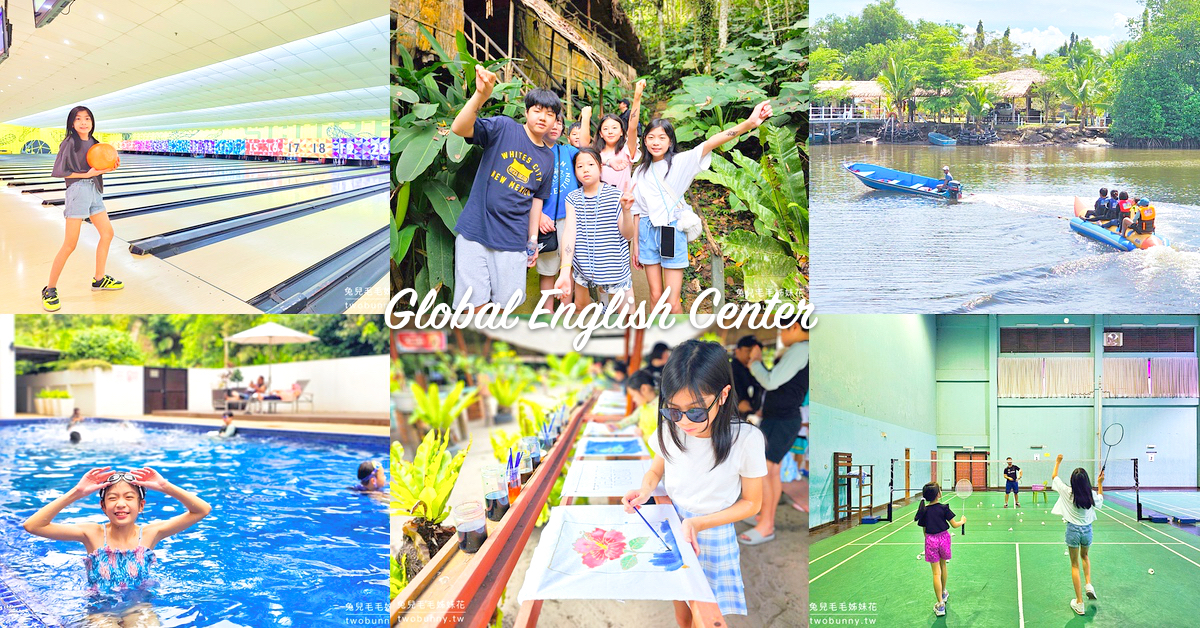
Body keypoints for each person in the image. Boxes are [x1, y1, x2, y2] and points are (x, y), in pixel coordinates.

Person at [623, 340, 766, 622]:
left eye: (696, 411)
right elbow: (655, 472)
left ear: (723, 395)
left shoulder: (746, 440)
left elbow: (752, 503)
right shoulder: (669, 429)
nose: (684, 421)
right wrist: (644, 490)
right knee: (682, 606)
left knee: (707, 612)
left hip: (712, 531)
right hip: (676, 523)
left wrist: (699, 523)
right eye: (673, 410)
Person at [630, 100, 773, 313]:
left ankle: (680, 342)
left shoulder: (681, 162)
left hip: (671, 231)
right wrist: (636, 245)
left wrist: (749, 124)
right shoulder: (639, 172)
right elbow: (638, 211)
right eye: (650, 137)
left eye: (662, 137)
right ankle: (657, 340)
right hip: (647, 233)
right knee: (655, 295)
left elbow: (712, 142)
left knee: (672, 300)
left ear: (670, 142)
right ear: (645, 141)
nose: (655, 142)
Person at [22, 467, 211, 623]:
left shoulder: (150, 533)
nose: (120, 504)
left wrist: (165, 486)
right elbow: (33, 525)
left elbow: (202, 510)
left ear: (141, 505)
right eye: (112, 498)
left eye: (129, 497)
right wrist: (76, 493)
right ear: (103, 507)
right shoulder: (92, 534)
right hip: (100, 609)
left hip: (139, 605)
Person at [450, 65, 558, 311]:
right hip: (475, 230)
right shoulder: (503, 127)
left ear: (555, 120)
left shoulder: (548, 158)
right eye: (537, 110)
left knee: (504, 307)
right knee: (472, 305)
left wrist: (532, 240)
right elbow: (459, 129)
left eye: (549, 114)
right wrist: (481, 95)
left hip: (512, 239)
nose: (542, 117)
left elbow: (537, 200)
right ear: (527, 111)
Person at [43, 106, 122, 311]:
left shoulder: (96, 143)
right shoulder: (69, 143)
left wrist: (111, 166)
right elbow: (62, 172)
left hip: (95, 190)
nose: (84, 122)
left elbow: (98, 168)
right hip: (78, 191)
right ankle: (49, 288)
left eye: (87, 118)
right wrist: (87, 175)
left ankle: (99, 279)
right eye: (78, 119)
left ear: (92, 122)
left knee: (107, 233)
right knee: (70, 244)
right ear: (72, 123)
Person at [740, 315, 808, 546]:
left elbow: (770, 382)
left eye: (783, 330)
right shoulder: (798, 350)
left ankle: (766, 525)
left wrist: (755, 361)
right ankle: (763, 517)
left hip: (782, 420)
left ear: (795, 326)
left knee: (767, 471)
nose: (781, 335)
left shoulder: (802, 348)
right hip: (776, 419)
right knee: (770, 471)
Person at [552, 148, 638, 311]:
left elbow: (628, 235)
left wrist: (626, 211)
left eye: (590, 164)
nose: (585, 169)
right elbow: (569, 233)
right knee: (580, 306)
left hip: (614, 271)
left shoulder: (616, 196)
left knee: (628, 316)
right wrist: (564, 271)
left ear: (600, 167)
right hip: (584, 270)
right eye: (580, 166)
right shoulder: (572, 198)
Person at [537, 107, 592, 304]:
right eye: (554, 121)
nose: (556, 126)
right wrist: (539, 216)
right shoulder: (533, 151)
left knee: (566, 265)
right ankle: (547, 313)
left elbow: (585, 146)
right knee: (547, 270)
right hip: (545, 221)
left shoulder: (566, 151)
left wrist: (585, 117)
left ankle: (566, 310)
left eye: (560, 123)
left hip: (569, 219)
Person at [1051, 454, 1103, 615]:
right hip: (1087, 530)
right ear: (1087, 481)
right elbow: (1100, 498)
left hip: (1073, 530)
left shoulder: (1067, 492)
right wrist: (1100, 483)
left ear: (1073, 481)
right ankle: (1089, 584)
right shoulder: (1091, 495)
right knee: (1085, 557)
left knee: (1074, 564)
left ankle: (1079, 603)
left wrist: (1057, 462)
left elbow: (1054, 477)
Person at [914, 482, 966, 617]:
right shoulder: (944, 508)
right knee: (943, 566)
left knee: (936, 573)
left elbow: (925, 531)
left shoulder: (924, 510)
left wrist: (930, 541)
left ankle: (940, 604)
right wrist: (962, 521)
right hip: (944, 539)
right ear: (938, 494)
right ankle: (943, 592)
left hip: (931, 540)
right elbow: (954, 525)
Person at [609, 369, 659, 446]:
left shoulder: (658, 408)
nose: (633, 399)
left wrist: (643, 436)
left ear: (644, 389)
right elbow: (632, 418)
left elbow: (663, 440)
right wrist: (618, 425)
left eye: (634, 395)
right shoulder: (644, 405)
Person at [730, 335, 764, 420]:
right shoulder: (732, 370)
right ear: (737, 351)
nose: (751, 354)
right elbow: (740, 402)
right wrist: (755, 414)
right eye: (748, 350)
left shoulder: (750, 369)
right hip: (738, 420)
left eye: (754, 351)